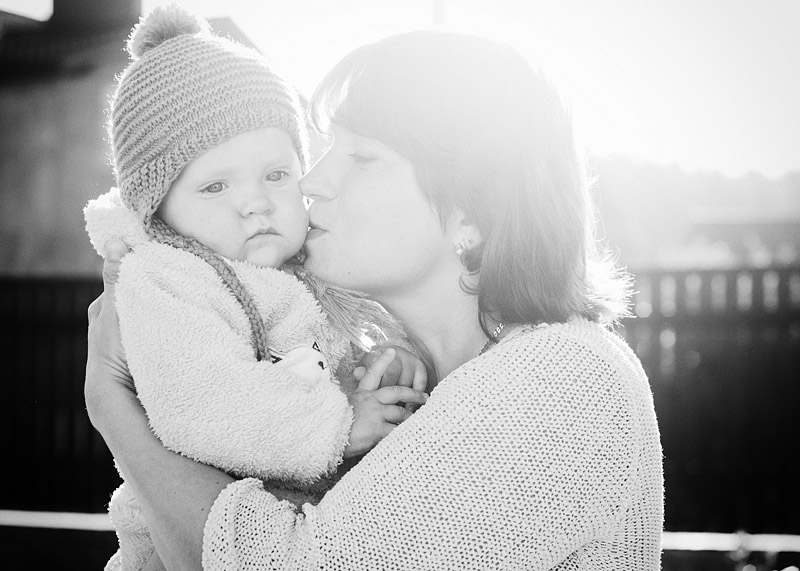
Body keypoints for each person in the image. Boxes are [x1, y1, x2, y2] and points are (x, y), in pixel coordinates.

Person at [86, 28, 664, 571]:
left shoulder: (565, 377)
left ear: (472, 213)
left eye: (362, 158)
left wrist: (113, 406)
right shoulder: (406, 371)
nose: (311, 181)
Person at [83, 7, 427, 571]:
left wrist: (387, 357)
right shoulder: (166, 280)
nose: (256, 202)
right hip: (182, 540)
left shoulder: (302, 265)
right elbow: (203, 405)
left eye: (276, 174)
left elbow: (345, 332)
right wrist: (340, 427)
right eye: (215, 186)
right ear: (158, 209)